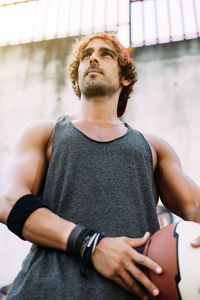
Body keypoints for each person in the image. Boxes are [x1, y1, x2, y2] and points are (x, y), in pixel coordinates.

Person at [0, 33, 199, 300]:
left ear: (125, 77)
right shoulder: (44, 133)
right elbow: (9, 202)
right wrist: (92, 245)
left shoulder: (153, 147)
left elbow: (195, 207)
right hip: (43, 290)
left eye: (106, 54)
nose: (93, 57)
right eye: (86, 55)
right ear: (77, 74)